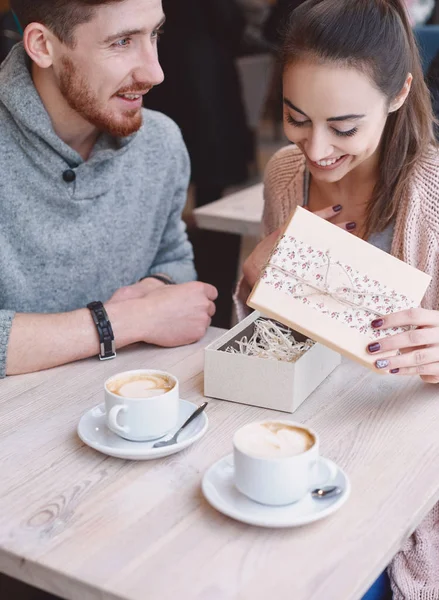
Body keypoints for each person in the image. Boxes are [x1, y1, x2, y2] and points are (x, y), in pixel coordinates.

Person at [237, 0, 439, 597]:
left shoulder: (432, 191)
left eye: (344, 127)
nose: (317, 149)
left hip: (402, 476)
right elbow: (274, 346)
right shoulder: (284, 175)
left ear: (400, 92)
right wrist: (253, 285)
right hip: (301, 444)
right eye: (296, 117)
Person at [0, 0, 218, 381]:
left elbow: (174, 260)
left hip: (128, 414)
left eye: (155, 34)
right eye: (121, 42)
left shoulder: (160, 141)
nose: (155, 72)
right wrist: (126, 320)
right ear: (42, 46)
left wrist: (157, 288)